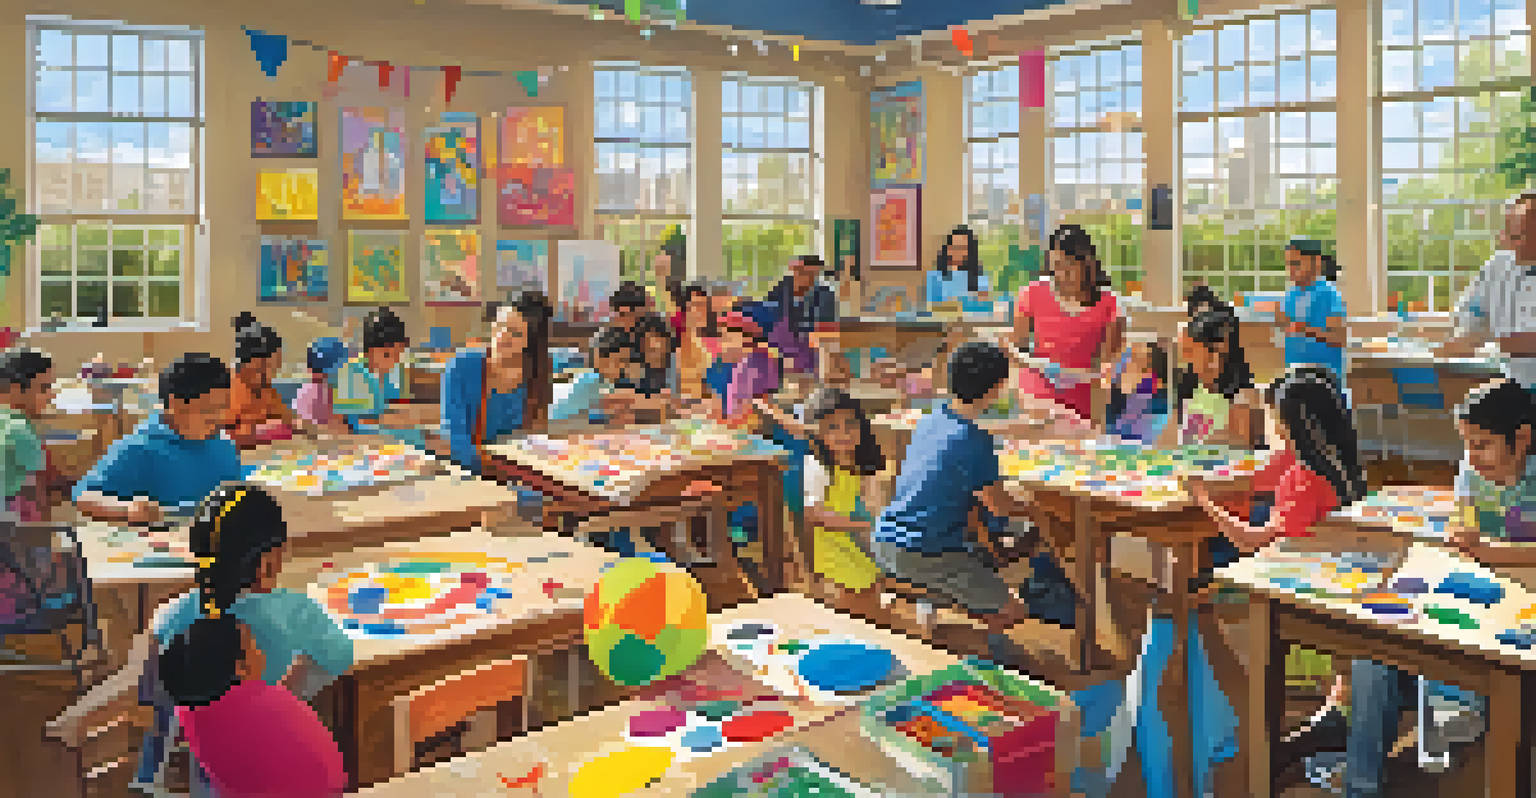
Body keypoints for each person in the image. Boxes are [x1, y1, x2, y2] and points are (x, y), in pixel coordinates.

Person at [1297, 380, 1536, 795]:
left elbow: (1486, 548)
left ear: (1522, 438)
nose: (1471, 457)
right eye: (1467, 445)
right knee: (1374, 656)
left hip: (1516, 619)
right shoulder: (1471, 474)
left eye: (1482, 445)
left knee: (1453, 667)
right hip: (1477, 597)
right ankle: (1361, 784)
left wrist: (1491, 551)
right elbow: (1463, 536)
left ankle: (1452, 727)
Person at [145, 484, 353, 796]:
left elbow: (159, 696)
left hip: (213, 772)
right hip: (282, 767)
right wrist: (286, 693)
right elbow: (340, 654)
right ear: (269, 562)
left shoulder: (171, 616)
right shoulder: (293, 610)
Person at [871, 342, 1035, 667]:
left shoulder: (933, 419)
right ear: (996, 388)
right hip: (921, 551)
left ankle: (933, 602)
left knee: (977, 551)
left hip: (884, 539)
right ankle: (973, 664)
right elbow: (999, 506)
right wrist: (1035, 509)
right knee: (1015, 610)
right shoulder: (975, 440)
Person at [1186, 365, 1368, 553]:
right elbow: (1258, 478)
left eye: (1277, 419)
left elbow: (1252, 541)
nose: (1275, 426)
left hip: (1297, 566)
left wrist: (1205, 501)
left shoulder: (1302, 481)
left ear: (1294, 425)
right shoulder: (1347, 465)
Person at [75, 354, 243, 525]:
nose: (219, 418)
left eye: (223, 407)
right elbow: (84, 496)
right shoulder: (140, 447)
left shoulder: (223, 444)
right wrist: (126, 508)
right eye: (209, 410)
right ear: (175, 404)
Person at [1007, 224, 1125, 424]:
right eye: (1056, 265)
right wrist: (1041, 365)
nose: (1061, 273)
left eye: (1069, 265)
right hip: (1037, 391)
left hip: (1083, 393)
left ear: (1087, 263)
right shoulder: (1033, 293)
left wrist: (1080, 377)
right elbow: (1014, 349)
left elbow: (1108, 365)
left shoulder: (1109, 303)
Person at [441, 291, 553, 475]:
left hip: (519, 472)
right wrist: (496, 468)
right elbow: (455, 439)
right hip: (471, 472)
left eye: (515, 333)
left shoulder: (538, 373)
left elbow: (534, 439)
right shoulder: (462, 366)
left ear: (531, 342)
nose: (502, 337)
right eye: (500, 325)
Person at [1440, 192, 1536, 389]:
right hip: (1515, 382)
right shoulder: (1497, 266)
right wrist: (1469, 333)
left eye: (1518, 236)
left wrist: (1496, 344)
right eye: (1509, 233)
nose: (1509, 243)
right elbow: (1472, 309)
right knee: (1472, 408)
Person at [801, 388, 887, 598]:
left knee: (871, 607)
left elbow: (873, 506)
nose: (844, 433)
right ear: (817, 432)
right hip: (835, 558)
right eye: (832, 427)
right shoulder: (818, 465)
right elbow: (813, 514)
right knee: (852, 612)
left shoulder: (859, 465)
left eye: (850, 425)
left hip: (862, 551)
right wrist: (864, 525)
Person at [1171, 299, 1264, 450]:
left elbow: (1241, 445)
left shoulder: (1244, 393)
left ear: (1218, 348)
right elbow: (1174, 436)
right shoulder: (1188, 384)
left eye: (1190, 351)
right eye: (1182, 351)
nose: (1184, 358)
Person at [335, 308, 421, 447]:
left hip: (395, 441)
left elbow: (398, 407)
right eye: (387, 355)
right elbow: (353, 423)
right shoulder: (351, 374)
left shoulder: (394, 372)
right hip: (365, 443)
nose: (394, 361)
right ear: (368, 352)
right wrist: (391, 420)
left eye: (398, 355)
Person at [224, 313, 301, 448]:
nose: (269, 375)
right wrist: (263, 431)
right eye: (262, 369)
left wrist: (306, 427)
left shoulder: (266, 389)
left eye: (275, 368)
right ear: (244, 364)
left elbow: (287, 418)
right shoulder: (229, 390)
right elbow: (225, 437)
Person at [1278, 239, 1348, 385]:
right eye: (1288, 264)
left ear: (1316, 262)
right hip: (1295, 373)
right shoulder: (1290, 295)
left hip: (1323, 378)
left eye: (1296, 263)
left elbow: (1339, 338)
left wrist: (1307, 330)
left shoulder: (1329, 294)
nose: (1291, 270)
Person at [0, 348, 57, 521]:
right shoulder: (20, 430)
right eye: (44, 388)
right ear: (16, 389)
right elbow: (37, 495)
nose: (51, 395)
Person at [764, 255, 838, 377]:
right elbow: (768, 312)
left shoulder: (825, 296)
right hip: (777, 351)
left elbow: (821, 328)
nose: (800, 276)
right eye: (797, 271)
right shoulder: (782, 288)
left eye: (806, 273)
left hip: (808, 353)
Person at [1105, 340, 1170, 443]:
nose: (1126, 363)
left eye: (1135, 359)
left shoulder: (1157, 399)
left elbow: (1142, 440)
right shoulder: (1128, 393)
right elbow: (1109, 430)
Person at [292, 338, 351, 435]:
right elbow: (300, 426)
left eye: (324, 373)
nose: (317, 375)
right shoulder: (306, 394)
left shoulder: (348, 391)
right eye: (315, 370)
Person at [674, 282, 719, 404]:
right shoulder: (680, 345)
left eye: (704, 306)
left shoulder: (714, 342)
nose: (702, 311)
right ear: (685, 310)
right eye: (696, 305)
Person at [925, 225, 992, 308]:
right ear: (948, 249)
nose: (958, 252)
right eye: (955, 247)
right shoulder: (935, 276)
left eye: (963, 248)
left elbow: (984, 305)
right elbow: (933, 306)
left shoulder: (979, 276)